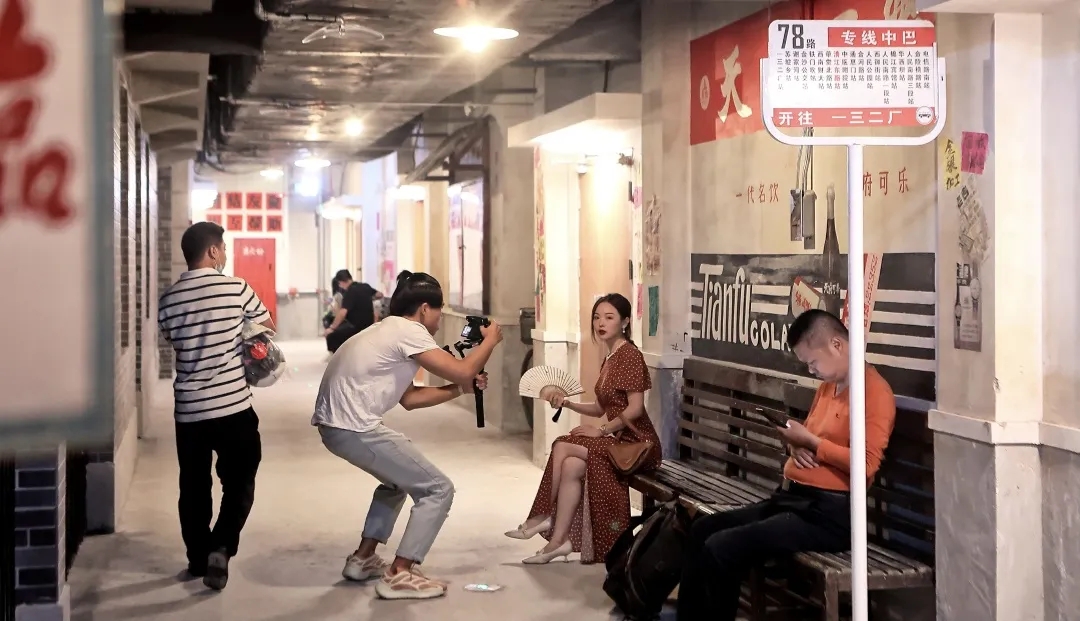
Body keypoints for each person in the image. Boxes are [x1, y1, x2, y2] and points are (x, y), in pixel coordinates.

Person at [676, 309, 897, 621]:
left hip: (827, 515)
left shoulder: (874, 392)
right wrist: (795, 444)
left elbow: (866, 466)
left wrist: (813, 444)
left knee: (721, 547)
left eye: (812, 362)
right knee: (702, 529)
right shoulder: (828, 387)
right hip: (792, 499)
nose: (811, 370)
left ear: (837, 345)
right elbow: (809, 437)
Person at [311, 272, 504, 600]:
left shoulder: (388, 329)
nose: (440, 318)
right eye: (439, 310)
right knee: (438, 489)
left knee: (396, 482)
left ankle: (363, 559)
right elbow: (463, 369)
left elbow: (411, 399)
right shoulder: (410, 331)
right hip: (354, 426)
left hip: (339, 426)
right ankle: (399, 573)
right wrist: (490, 340)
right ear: (425, 309)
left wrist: (460, 390)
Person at [158, 222, 275, 591]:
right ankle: (221, 547)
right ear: (212, 251)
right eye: (222, 248)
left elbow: (172, 338)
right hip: (232, 407)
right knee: (240, 479)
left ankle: (197, 558)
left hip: (189, 410)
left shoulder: (168, 299)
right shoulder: (236, 288)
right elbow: (267, 327)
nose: (224, 254)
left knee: (193, 485)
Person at [507, 293, 661, 564]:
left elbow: (635, 408)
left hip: (638, 444)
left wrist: (602, 430)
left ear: (625, 322)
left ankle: (542, 515)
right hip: (618, 440)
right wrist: (567, 403)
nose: (601, 323)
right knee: (571, 466)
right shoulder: (610, 357)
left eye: (609, 317)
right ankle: (559, 542)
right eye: (597, 317)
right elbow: (600, 407)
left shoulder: (629, 355)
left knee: (562, 444)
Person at [324, 269, 383, 352]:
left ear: (341, 282)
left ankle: (341, 357)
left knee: (332, 336)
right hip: (369, 324)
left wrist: (332, 328)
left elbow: (343, 312)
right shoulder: (365, 286)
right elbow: (380, 294)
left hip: (356, 326)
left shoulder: (350, 292)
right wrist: (369, 298)